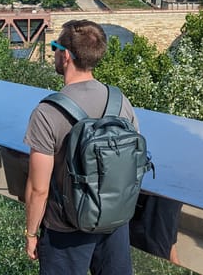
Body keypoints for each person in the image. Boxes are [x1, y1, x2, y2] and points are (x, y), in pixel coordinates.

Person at [23, 20, 140, 275]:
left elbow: (38, 188)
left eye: (54, 47)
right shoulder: (120, 102)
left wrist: (31, 233)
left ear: (65, 56)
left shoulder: (48, 112)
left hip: (65, 229)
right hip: (114, 223)